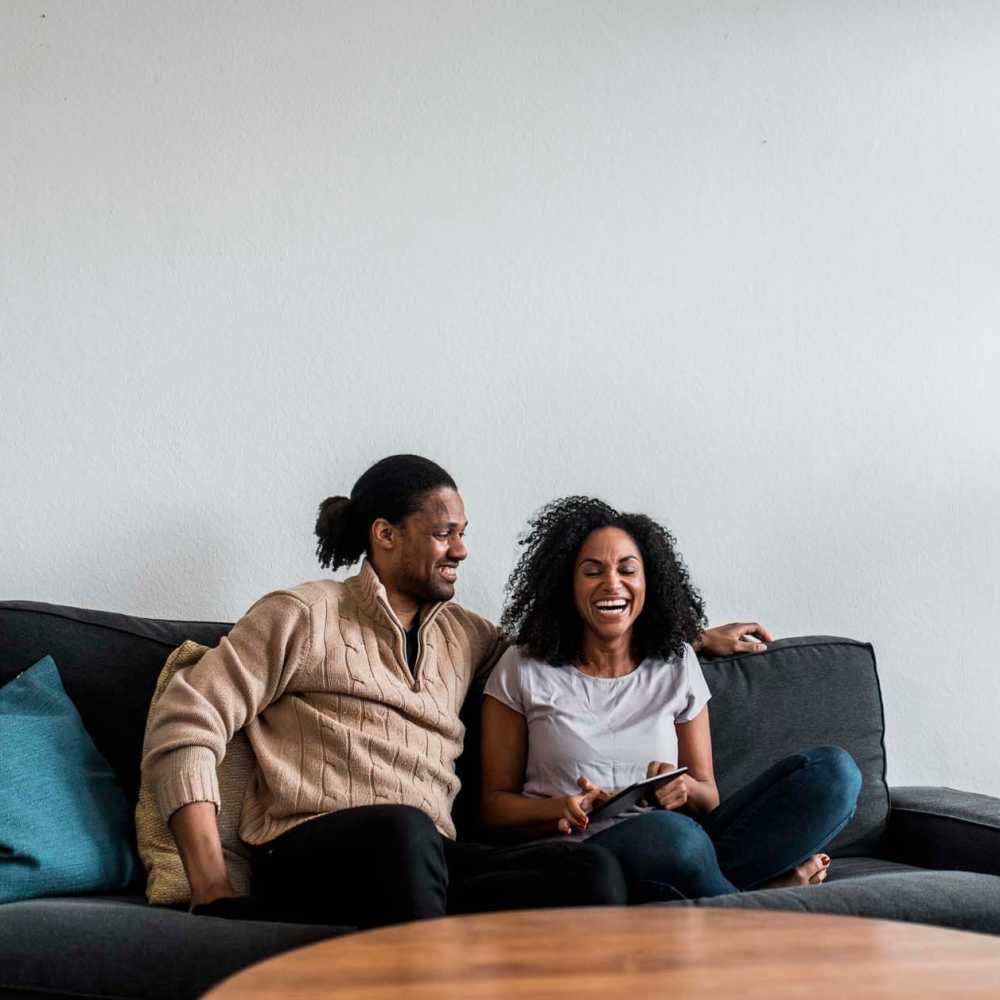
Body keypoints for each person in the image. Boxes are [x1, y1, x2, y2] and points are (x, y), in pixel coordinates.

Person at [142, 457, 772, 927]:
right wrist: (212, 885)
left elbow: (559, 642)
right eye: (444, 533)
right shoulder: (303, 616)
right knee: (405, 831)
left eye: (463, 532)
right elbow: (186, 722)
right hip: (312, 853)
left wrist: (689, 635)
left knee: (591, 870)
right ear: (386, 535)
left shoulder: (465, 636)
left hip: (432, 860)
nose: (462, 549)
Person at [480, 496, 863, 902]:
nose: (612, 583)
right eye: (592, 571)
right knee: (671, 835)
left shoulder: (676, 661)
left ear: (650, 582)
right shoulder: (522, 667)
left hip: (683, 844)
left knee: (834, 774)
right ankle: (758, 908)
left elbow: (707, 793)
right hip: (587, 859)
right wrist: (563, 808)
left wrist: (682, 789)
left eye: (628, 570)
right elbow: (492, 807)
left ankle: (721, 896)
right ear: (566, 585)